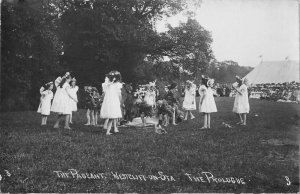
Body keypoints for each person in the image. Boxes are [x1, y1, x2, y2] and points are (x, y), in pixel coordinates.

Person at [100, 71, 123, 135]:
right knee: (111, 116)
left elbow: (118, 93)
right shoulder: (108, 84)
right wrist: (111, 81)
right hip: (110, 100)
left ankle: (108, 131)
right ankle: (108, 131)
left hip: (114, 100)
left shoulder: (117, 84)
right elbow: (105, 87)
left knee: (112, 117)